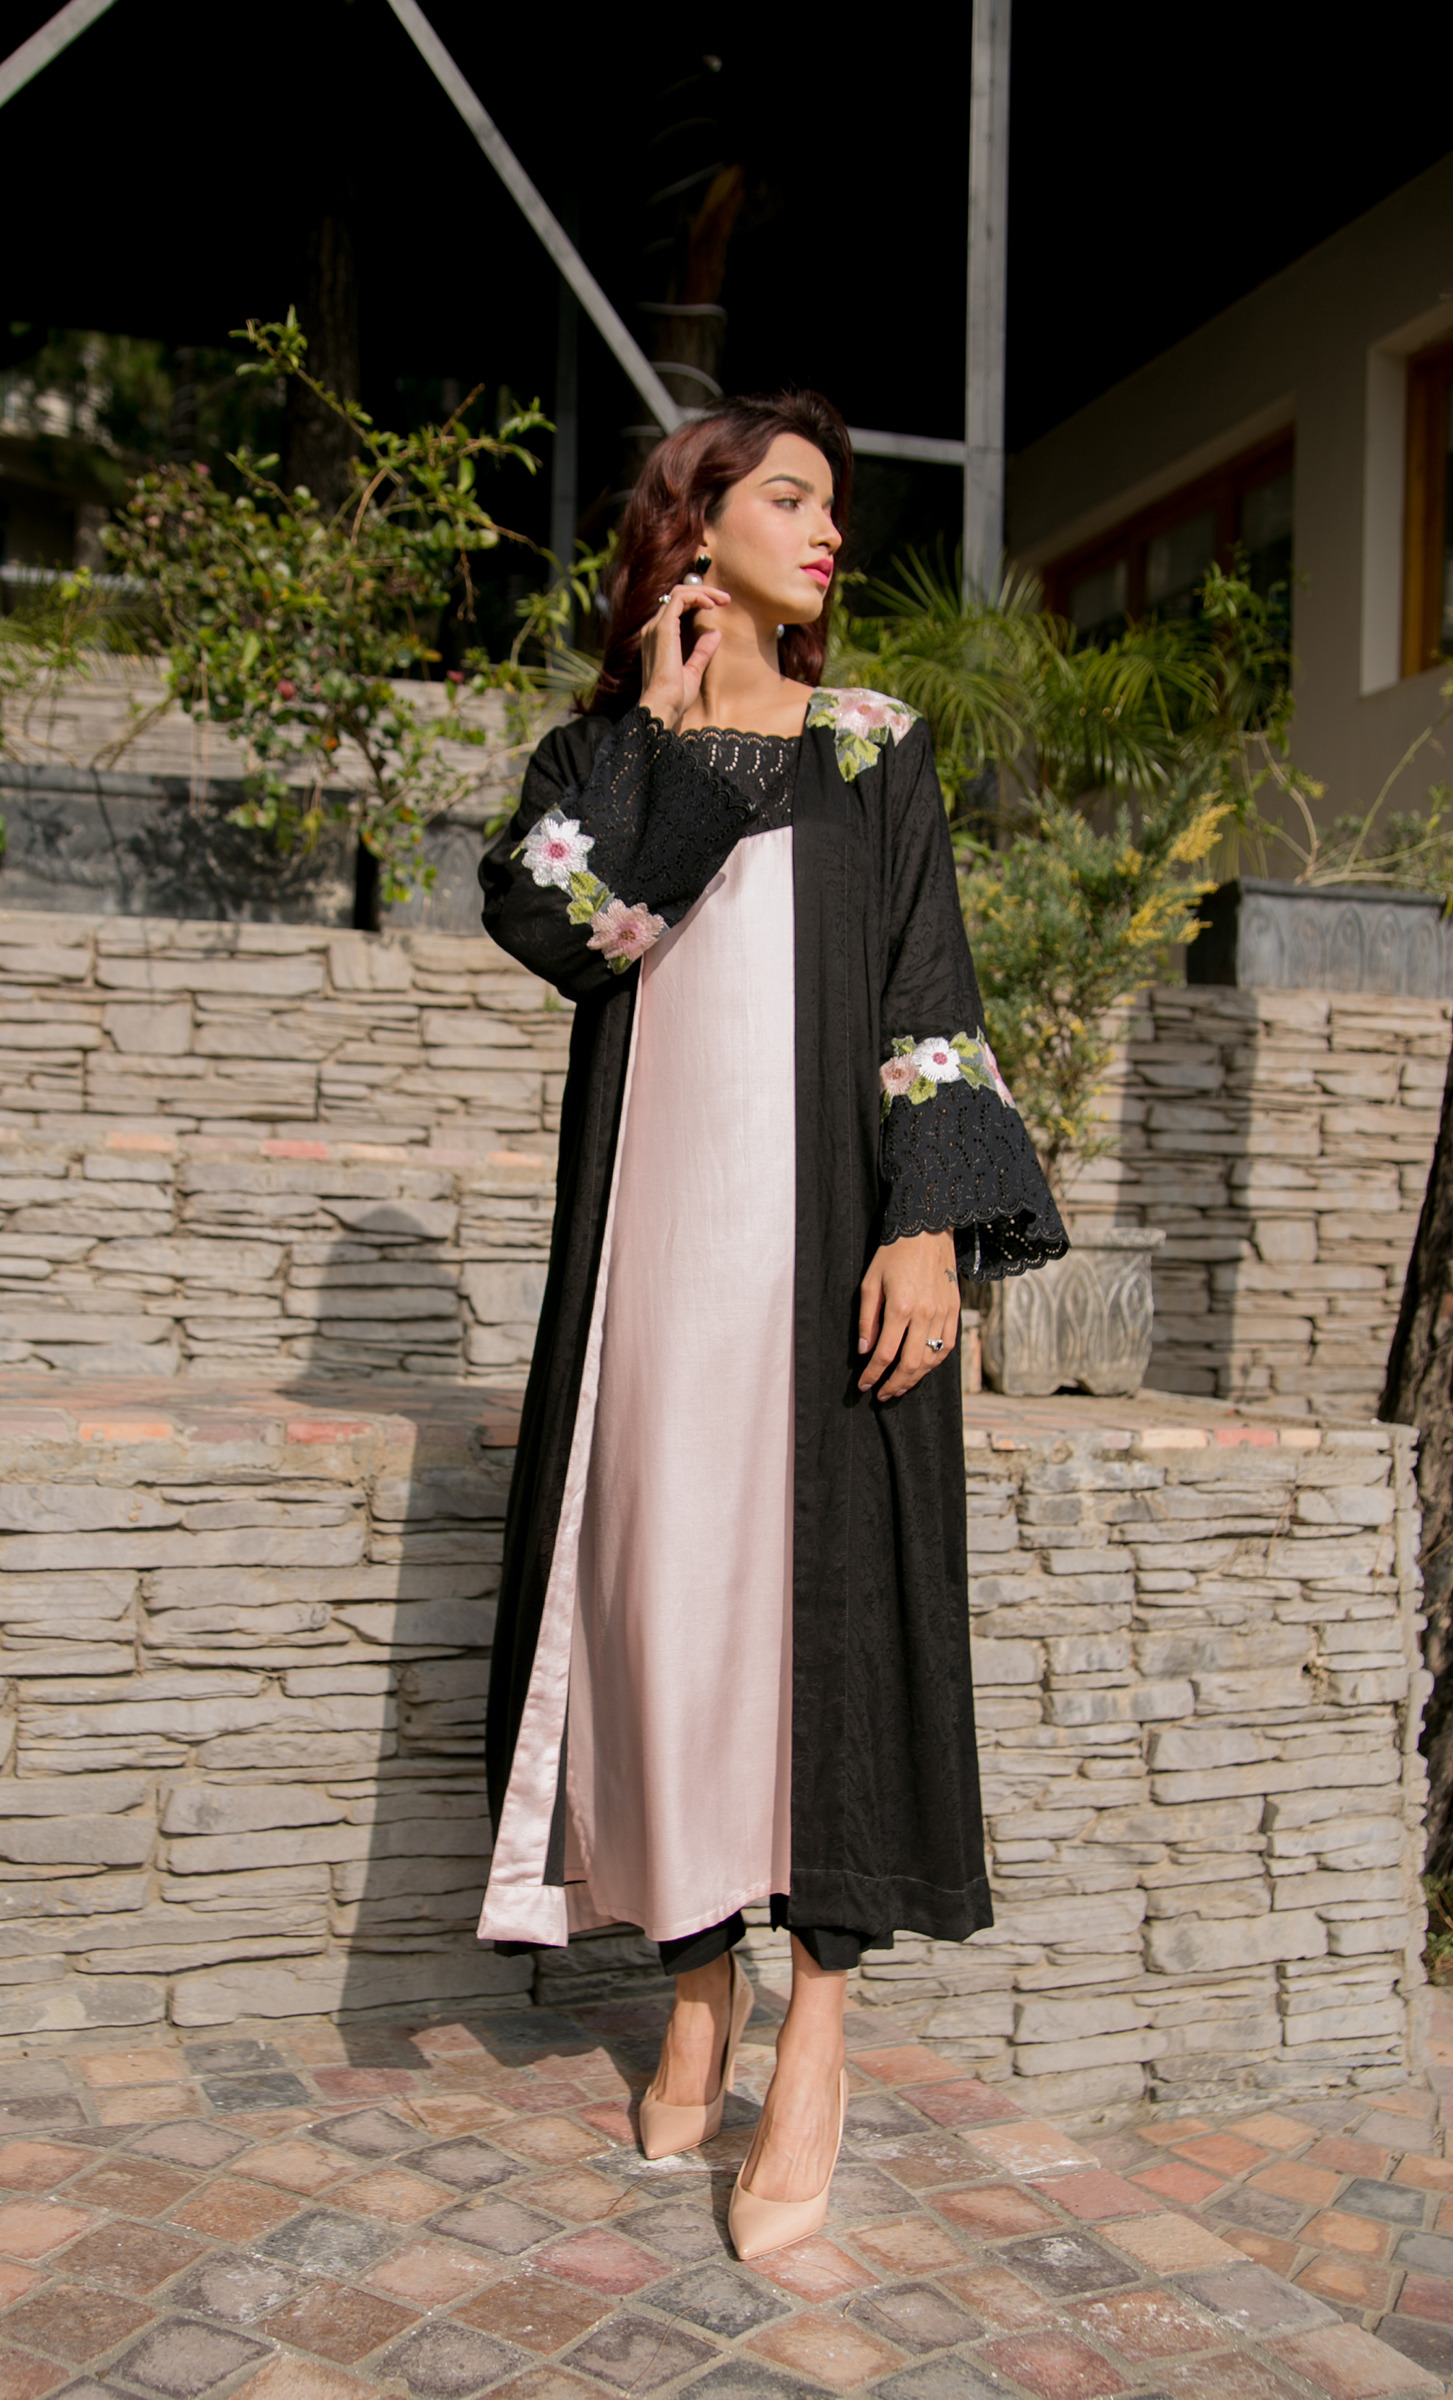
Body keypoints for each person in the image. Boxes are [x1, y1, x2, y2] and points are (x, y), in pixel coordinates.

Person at [476, 390, 1066, 2257]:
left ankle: (815, 2032)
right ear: (697, 523)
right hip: (656, 1265)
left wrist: (929, 1229)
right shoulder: (598, 753)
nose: (827, 531)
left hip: (832, 1260)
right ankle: (695, 1987)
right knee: (667, 1622)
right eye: (790, 497)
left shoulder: (870, 742)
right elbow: (564, 932)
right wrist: (660, 739)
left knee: (843, 1624)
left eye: (834, 507)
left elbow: (931, 997)